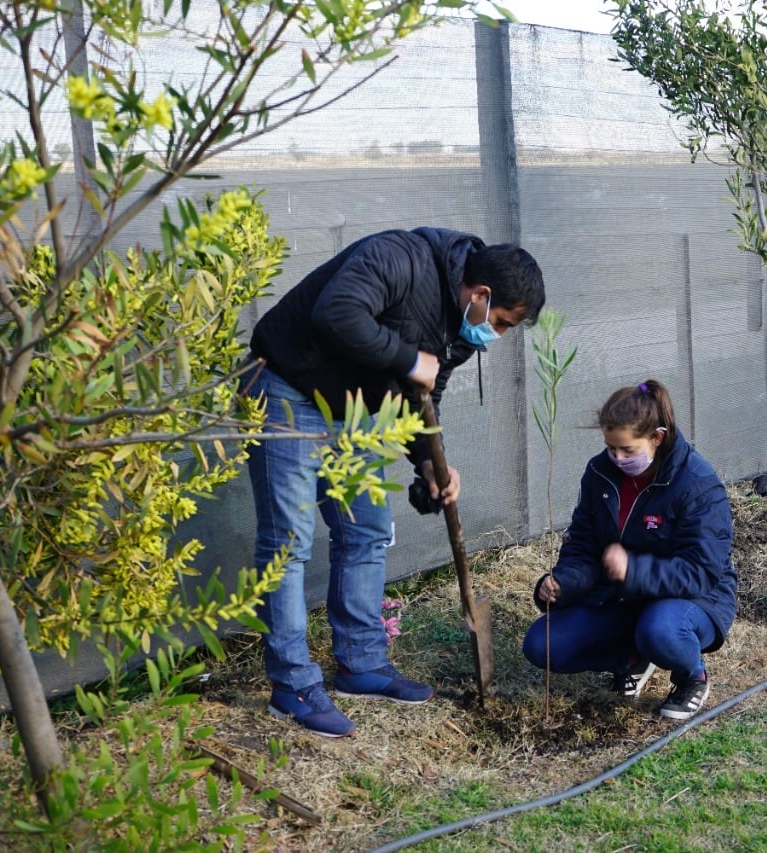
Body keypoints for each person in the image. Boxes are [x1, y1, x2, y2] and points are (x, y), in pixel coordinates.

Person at [240, 227, 545, 737]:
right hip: (286, 387)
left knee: (367, 530)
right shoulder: (400, 257)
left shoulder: (460, 327)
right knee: (287, 544)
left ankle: (361, 664)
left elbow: (424, 393)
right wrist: (409, 359)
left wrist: (430, 462)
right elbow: (337, 312)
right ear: (482, 294)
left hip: (352, 412)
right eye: (501, 323)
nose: (496, 334)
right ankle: (292, 685)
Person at [522, 379, 736, 721]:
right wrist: (562, 582)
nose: (617, 458)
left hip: (693, 602)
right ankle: (632, 660)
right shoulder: (599, 473)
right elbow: (583, 546)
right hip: (621, 599)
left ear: (657, 437)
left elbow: (702, 573)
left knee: (661, 629)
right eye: (611, 448)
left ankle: (692, 677)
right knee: (542, 645)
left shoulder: (697, 484)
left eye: (627, 450)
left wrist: (633, 570)